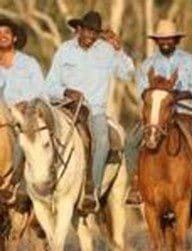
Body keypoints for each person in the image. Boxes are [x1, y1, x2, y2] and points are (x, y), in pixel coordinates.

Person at [126, 19, 192, 205]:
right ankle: (135, 185)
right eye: (161, 39)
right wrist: (158, 96)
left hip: (187, 111)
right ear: (156, 41)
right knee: (130, 142)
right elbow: (142, 92)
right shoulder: (148, 65)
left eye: (169, 39)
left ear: (176, 40)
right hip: (157, 114)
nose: (165, 42)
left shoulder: (189, 61)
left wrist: (180, 95)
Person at [46, 11, 134, 212]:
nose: (90, 37)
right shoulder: (65, 50)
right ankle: (40, 186)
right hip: (65, 106)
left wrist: (119, 50)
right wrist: (65, 91)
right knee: (39, 136)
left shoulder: (106, 51)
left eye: (95, 33)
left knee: (102, 141)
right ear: (79, 29)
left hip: (94, 109)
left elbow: (127, 74)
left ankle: (90, 190)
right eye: (87, 31)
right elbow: (48, 85)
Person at [0, 17, 45, 192]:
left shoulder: (29, 64)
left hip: (27, 115)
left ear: (15, 38)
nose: (2, 36)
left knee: (24, 140)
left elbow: (42, 94)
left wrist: (27, 103)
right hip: (3, 117)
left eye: (6, 33)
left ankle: (19, 184)